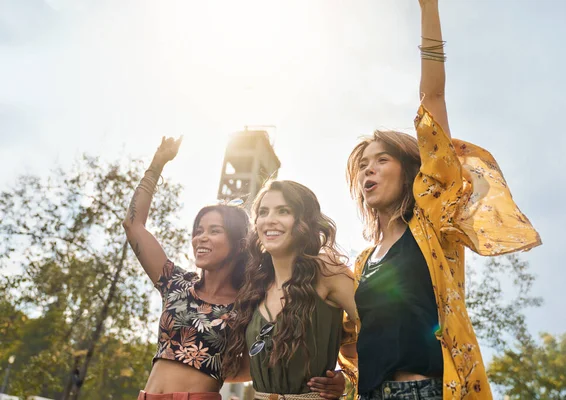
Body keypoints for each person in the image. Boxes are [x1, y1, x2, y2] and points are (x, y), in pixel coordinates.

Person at [341, 1, 542, 399]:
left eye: (382, 160)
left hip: (428, 391)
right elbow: (353, 342)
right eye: (363, 165)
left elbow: (432, 96)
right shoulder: (361, 264)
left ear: (410, 171)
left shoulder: (432, 223)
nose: (369, 170)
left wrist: (428, 9)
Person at [123, 139, 346, 400]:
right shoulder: (176, 283)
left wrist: (335, 376)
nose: (201, 238)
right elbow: (133, 225)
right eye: (198, 231)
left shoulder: (251, 300)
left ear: (239, 244)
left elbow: (267, 358)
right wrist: (157, 164)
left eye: (214, 231)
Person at [223, 180, 359, 400]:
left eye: (283, 211)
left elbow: (377, 332)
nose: (270, 220)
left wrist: (347, 376)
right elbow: (249, 367)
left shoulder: (328, 271)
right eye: (263, 212)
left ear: (304, 220)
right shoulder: (255, 286)